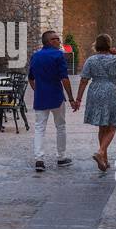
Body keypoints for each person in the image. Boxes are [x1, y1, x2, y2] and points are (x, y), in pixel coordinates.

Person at [75, 33, 116, 172]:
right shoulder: (114, 59)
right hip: (110, 90)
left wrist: (78, 99)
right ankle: (100, 152)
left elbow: (83, 80)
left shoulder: (91, 60)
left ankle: (104, 160)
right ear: (109, 45)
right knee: (112, 127)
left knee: (102, 126)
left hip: (95, 91)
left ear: (96, 45)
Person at [27, 30, 76, 172]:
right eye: (56, 39)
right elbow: (64, 78)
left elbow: (31, 78)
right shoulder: (58, 55)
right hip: (56, 97)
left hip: (41, 97)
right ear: (50, 41)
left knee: (39, 128)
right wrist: (71, 98)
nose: (59, 41)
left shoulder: (35, 56)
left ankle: (39, 159)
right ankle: (61, 157)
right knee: (60, 126)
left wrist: (37, 90)